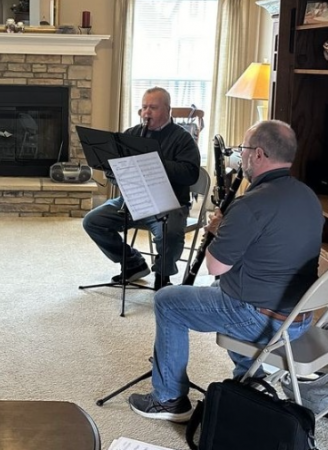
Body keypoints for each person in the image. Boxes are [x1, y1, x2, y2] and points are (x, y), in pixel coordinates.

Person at [128, 120, 324, 422]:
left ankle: (168, 399)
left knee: (167, 301)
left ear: (258, 154)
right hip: (298, 317)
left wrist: (220, 229)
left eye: (243, 149)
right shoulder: (309, 196)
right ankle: (250, 384)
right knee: (218, 292)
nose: (239, 156)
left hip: (261, 319)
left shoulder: (251, 205)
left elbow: (215, 266)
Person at [83, 87, 200, 290]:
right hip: (133, 199)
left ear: (168, 110)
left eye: (153, 108)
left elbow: (190, 173)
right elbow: (112, 169)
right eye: (144, 107)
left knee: (169, 232)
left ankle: (163, 275)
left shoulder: (182, 138)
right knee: (93, 221)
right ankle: (132, 263)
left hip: (168, 203)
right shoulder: (132, 134)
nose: (146, 113)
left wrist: (154, 162)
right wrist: (119, 174)